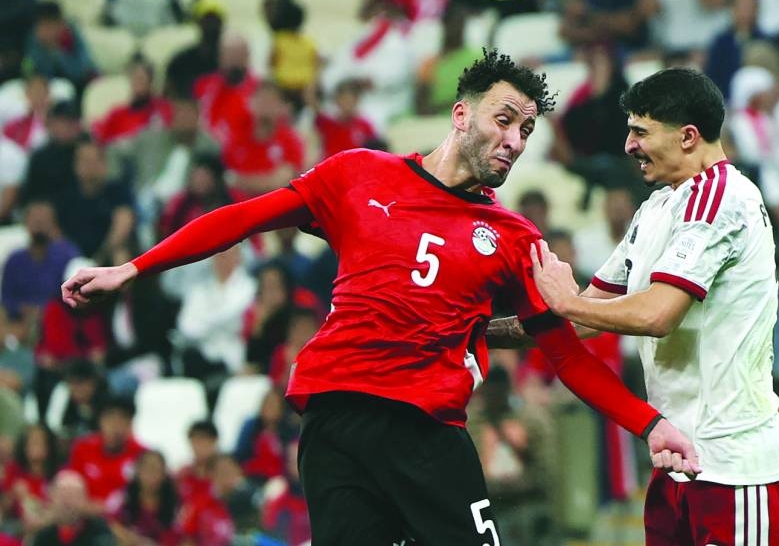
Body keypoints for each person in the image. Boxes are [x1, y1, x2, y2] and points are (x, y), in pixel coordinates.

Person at [62, 49, 698, 546]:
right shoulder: (358, 174)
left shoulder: (512, 238)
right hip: (334, 419)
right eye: (504, 120)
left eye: (527, 130)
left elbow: (565, 355)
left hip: (423, 432)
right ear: (461, 114)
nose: (514, 139)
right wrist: (134, 268)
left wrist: (650, 424)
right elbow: (247, 217)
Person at [523, 67, 779, 544]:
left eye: (640, 131)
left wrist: (567, 303)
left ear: (689, 136)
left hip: (737, 471)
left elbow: (656, 315)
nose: (629, 145)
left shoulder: (723, 197)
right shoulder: (657, 207)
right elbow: (594, 311)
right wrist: (479, 328)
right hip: (677, 462)